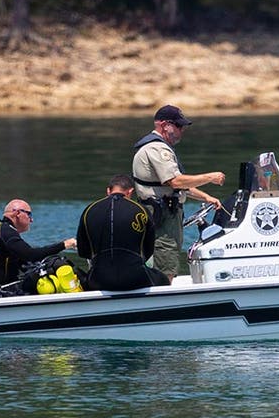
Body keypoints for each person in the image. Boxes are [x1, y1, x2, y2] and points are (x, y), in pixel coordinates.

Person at [131, 104, 225, 281]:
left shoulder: (159, 147)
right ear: (165, 125)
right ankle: (162, 299)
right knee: (166, 261)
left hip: (164, 213)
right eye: (179, 126)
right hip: (163, 217)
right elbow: (174, 181)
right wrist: (209, 177)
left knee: (167, 257)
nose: (182, 131)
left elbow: (176, 184)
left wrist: (206, 197)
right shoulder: (157, 149)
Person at [76, 174, 169, 290]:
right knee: (163, 279)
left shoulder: (89, 210)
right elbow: (148, 251)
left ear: (108, 191)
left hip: (99, 280)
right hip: (135, 279)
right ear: (130, 192)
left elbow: (83, 252)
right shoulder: (141, 211)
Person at [0, 199, 77, 297]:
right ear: (17, 213)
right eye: (29, 214)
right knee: (54, 267)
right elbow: (31, 255)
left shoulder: (1, 230)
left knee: (49, 265)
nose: (31, 220)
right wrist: (65, 244)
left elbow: (26, 262)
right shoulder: (6, 232)